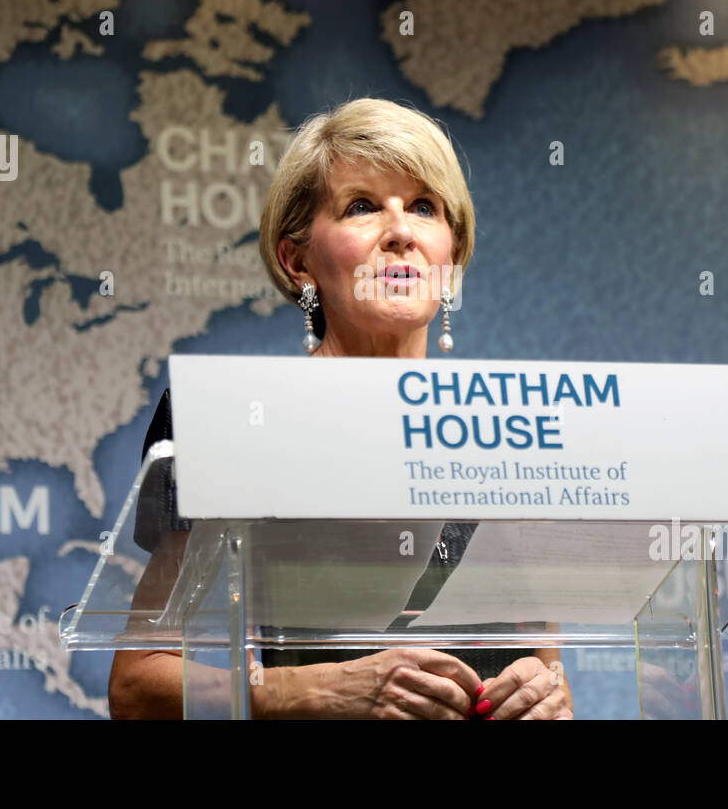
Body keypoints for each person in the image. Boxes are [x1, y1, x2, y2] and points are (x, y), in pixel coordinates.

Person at [108, 98, 573, 719]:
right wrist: (311, 693)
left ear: (452, 257)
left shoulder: (511, 429)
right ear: (297, 260)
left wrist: (546, 699)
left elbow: (547, 666)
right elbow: (136, 689)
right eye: (362, 207)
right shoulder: (234, 420)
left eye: (424, 208)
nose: (401, 232)